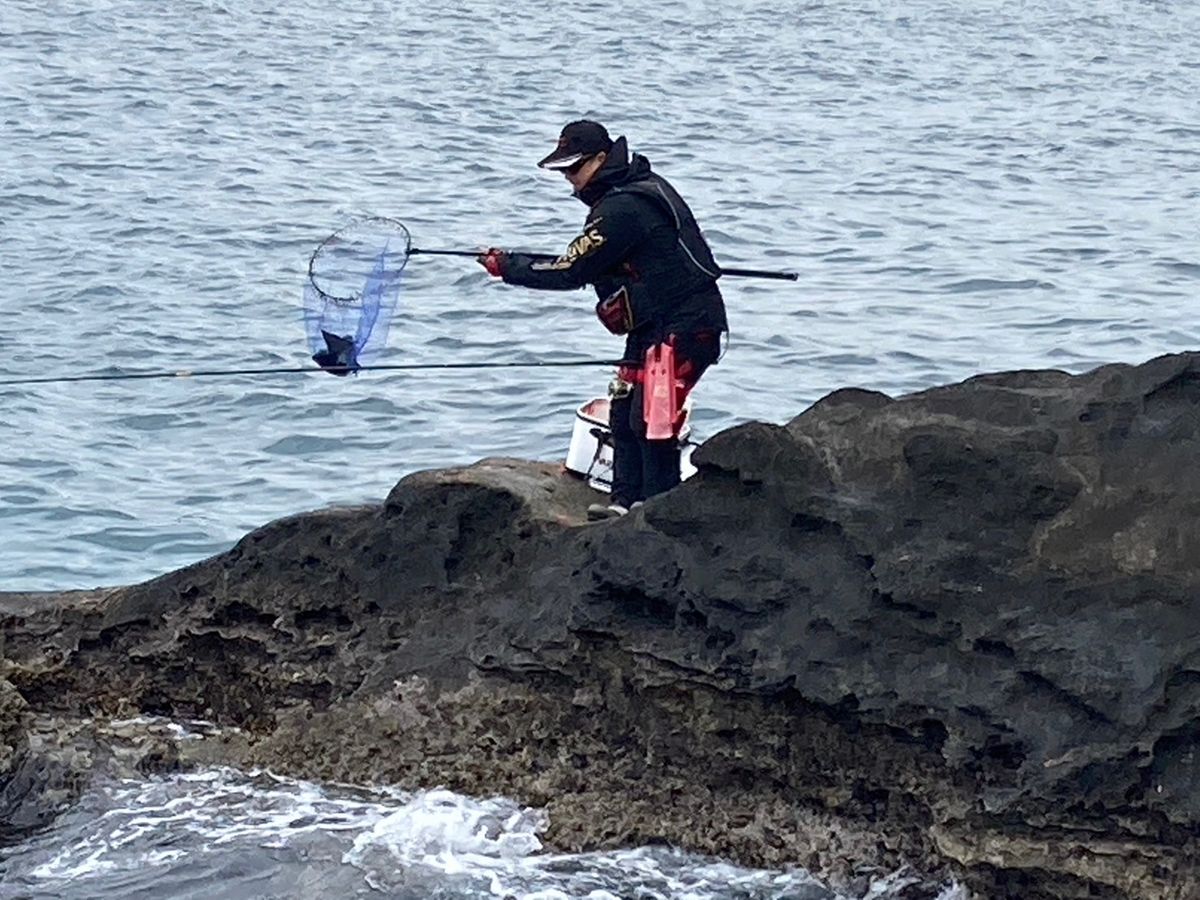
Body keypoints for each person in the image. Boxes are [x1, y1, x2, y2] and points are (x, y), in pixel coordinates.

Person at [477, 120, 728, 521]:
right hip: (655, 325)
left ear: (600, 159)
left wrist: (506, 267)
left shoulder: (622, 207)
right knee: (625, 411)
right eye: (563, 172)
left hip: (686, 326)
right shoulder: (636, 187)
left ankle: (658, 512)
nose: (570, 181)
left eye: (574, 169)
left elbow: (569, 270)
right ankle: (624, 503)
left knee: (653, 417)